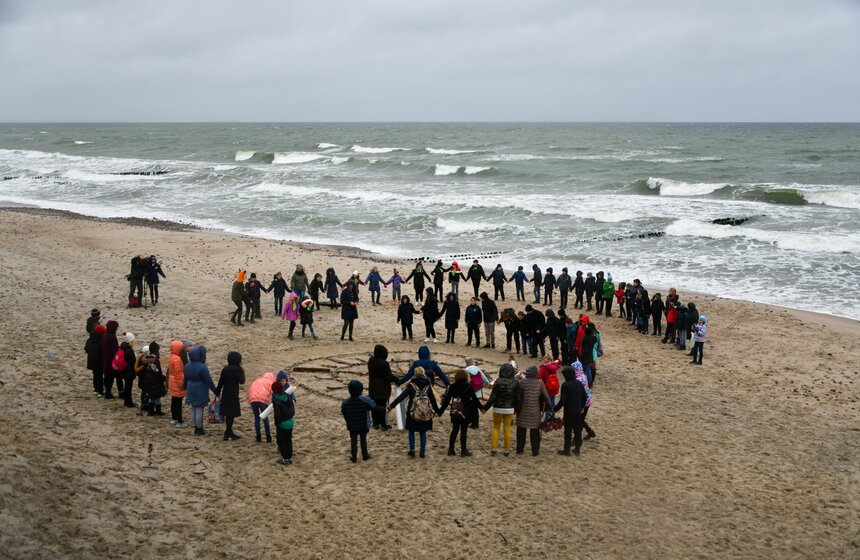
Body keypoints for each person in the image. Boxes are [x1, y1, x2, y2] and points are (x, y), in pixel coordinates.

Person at [387, 367, 440, 458]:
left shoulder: (411, 385)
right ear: (424, 374)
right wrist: (438, 411)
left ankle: (412, 450)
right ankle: (422, 452)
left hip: (412, 413)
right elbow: (433, 400)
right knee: (422, 433)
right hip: (425, 413)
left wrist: (391, 406)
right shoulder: (428, 386)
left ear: (415, 374)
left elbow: (401, 397)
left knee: (411, 431)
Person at [438, 369, 482, 457]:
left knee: (454, 430)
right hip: (465, 411)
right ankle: (463, 450)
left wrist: (440, 411)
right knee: (463, 431)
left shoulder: (452, 386)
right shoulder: (468, 387)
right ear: (466, 377)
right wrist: (482, 408)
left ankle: (451, 449)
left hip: (455, 410)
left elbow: (447, 400)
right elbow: (475, 399)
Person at [341, 380, 384, 462]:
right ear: (360, 391)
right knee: (363, 440)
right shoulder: (365, 400)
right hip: (363, 425)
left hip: (352, 425)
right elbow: (374, 408)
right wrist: (384, 409)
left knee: (353, 440)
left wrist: (348, 422)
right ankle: (365, 455)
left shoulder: (345, 402)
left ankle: (354, 456)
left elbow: (344, 413)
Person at [482, 363, 518, 457]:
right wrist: (517, 410)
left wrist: (485, 408)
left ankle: (494, 449)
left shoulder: (498, 381)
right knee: (507, 429)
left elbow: (492, 397)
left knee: (496, 427)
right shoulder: (515, 382)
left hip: (498, 408)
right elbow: (517, 398)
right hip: (509, 408)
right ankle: (506, 450)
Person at [515, 366, 551, 456]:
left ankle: (519, 449)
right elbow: (546, 396)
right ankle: (535, 451)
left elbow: (517, 397)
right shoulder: (540, 383)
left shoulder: (522, 382)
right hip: (535, 412)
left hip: (523, 410)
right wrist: (551, 407)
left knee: (521, 430)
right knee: (535, 432)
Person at [183, 345, 217, 436]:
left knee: (193, 408)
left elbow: (185, 379)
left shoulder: (187, 365)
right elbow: (208, 381)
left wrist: (185, 388)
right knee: (199, 409)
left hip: (190, 388)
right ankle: (199, 429)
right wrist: (215, 391)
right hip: (200, 389)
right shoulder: (202, 367)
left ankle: (195, 428)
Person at [554, 366, 587, 456]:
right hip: (578, 411)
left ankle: (567, 450)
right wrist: (582, 407)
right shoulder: (579, 383)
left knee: (568, 432)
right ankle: (577, 449)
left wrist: (554, 409)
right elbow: (584, 396)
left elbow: (563, 401)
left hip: (569, 412)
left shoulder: (565, 385)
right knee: (577, 431)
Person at [367, 344, 398, 430]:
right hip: (383, 390)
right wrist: (396, 379)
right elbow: (388, 377)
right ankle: (384, 424)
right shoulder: (384, 364)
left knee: (374, 406)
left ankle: (376, 423)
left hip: (373, 387)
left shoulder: (371, 361)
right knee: (384, 407)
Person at [216, 351, 245, 441]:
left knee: (228, 413)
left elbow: (221, 382)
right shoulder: (237, 369)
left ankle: (229, 431)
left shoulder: (225, 369)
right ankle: (228, 433)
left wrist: (217, 392)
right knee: (231, 414)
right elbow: (242, 381)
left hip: (225, 392)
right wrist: (242, 369)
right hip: (233, 393)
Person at [272, 371, 299, 465]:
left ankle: (285, 458)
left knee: (281, 440)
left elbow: (278, 415)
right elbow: (292, 409)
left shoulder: (276, 401)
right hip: (291, 422)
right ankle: (289, 456)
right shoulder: (288, 396)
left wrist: (277, 423)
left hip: (282, 423)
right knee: (288, 439)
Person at [572, 361, 597, 440]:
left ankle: (576, 439)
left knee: (579, 420)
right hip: (587, 401)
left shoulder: (578, 379)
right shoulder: (582, 375)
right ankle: (590, 432)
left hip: (583, 402)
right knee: (580, 419)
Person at [248, 371, 275, 442]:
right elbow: (274, 393)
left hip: (252, 399)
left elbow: (250, 389)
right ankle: (268, 437)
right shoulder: (271, 382)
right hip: (263, 400)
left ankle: (258, 437)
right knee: (265, 418)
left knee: (256, 418)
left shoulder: (257, 380)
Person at [141, 343, 167, 416]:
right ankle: (158, 411)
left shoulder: (147, 357)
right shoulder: (155, 360)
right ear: (156, 351)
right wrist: (163, 378)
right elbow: (156, 371)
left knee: (152, 397)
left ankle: (151, 411)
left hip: (149, 380)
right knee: (157, 397)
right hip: (155, 381)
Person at [167, 340, 188, 428]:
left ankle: (174, 418)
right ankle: (180, 421)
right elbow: (178, 374)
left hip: (171, 381)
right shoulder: (177, 359)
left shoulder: (171, 356)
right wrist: (181, 385)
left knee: (174, 401)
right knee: (178, 403)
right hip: (176, 383)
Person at [101, 320, 121, 399]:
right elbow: (114, 350)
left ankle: (107, 392)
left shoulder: (105, 335)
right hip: (112, 360)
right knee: (114, 376)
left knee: (107, 377)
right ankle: (113, 393)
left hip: (105, 359)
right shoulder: (112, 337)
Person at [86, 323, 106, 397]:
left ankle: (95, 389)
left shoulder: (90, 339)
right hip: (99, 362)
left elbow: (86, 349)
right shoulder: (102, 341)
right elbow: (103, 352)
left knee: (95, 375)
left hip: (91, 361)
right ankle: (100, 391)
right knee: (100, 376)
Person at [538, 356, 561, 420]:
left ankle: (547, 416)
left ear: (545, 360)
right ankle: (552, 414)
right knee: (553, 401)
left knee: (547, 402)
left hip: (547, 388)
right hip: (554, 386)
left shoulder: (543, 368)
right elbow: (560, 362)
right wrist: (557, 361)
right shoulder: (554, 366)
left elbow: (539, 376)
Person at [118, 332, 137, 408]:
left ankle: (126, 401)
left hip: (124, 370)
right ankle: (129, 402)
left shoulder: (122, 347)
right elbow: (133, 362)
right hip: (129, 372)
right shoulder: (130, 351)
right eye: (133, 341)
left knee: (127, 386)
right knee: (129, 387)